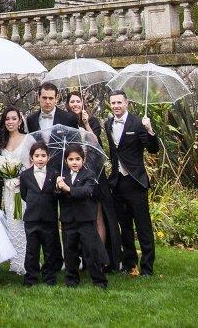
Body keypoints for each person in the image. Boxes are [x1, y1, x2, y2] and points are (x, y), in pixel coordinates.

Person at [103, 90, 159, 276]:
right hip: (117, 182)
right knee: (125, 227)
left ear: (126, 103)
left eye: (119, 102)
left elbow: (153, 149)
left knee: (143, 226)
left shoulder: (138, 123)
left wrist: (149, 130)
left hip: (136, 182)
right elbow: (114, 152)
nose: (116, 106)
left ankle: (147, 267)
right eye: (113, 103)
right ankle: (130, 264)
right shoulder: (108, 124)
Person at [67, 90, 121, 272]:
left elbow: (96, 143)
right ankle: (82, 257)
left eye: (78, 101)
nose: (75, 104)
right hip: (75, 176)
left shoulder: (93, 121)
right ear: (68, 104)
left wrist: (86, 124)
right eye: (72, 101)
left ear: (83, 103)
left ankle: (100, 258)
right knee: (80, 217)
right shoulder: (67, 123)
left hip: (94, 174)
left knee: (98, 216)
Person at [56, 144, 108, 289]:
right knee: (70, 250)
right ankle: (71, 279)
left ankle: (99, 280)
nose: (74, 162)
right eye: (71, 159)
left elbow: (86, 191)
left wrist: (67, 188)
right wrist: (58, 187)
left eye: (77, 159)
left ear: (83, 160)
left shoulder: (89, 175)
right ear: (66, 161)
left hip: (85, 219)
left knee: (91, 250)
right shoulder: (62, 176)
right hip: (68, 219)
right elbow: (57, 196)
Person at [18, 141, 61, 287]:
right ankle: (31, 278)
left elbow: (57, 195)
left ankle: (49, 277)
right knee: (32, 250)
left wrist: (58, 188)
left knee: (50, 249)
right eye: (37, 156)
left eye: (43, 155)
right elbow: (24, 194)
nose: (40, 159)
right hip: (32, 218)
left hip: (49, 217)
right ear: (31, 157)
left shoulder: (54, 173)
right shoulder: (25, 175)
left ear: (48, 157)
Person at [0, 106, 29, 274]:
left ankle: (26, 261)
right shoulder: (2, 141)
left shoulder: (28, 139)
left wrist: (22, 179)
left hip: (23, 189)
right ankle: (15, 262)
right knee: (12, 223)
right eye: (7, 119)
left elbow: (33, 163)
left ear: (20, 121)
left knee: (23, 222)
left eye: (14, 118)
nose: (10, 122)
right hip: (8, 190)